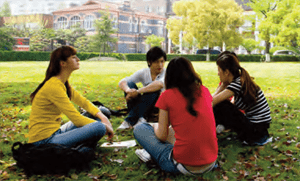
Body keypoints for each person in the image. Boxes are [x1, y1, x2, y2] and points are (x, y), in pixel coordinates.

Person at [133, 57, 218, 175]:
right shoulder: (204, 91)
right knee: (177, 131)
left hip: (182, 165)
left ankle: (150, 154)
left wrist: (154, 127)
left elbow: (162, 136)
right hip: (211, 162)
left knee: (140, 128)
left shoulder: (167, 96)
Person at [28, 46, 114, 152]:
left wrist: (102, 117)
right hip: (43, 141)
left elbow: (84, 102)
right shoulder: (53, 86)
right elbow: (76, 119)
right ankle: (79, 149)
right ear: (62, 63)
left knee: (102, 111)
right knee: (99, 127)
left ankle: (79, 146)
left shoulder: (62, 83)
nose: (78, 59)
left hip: (56, 132)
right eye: (73, 57)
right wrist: (104, 126)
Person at [212, 53, 272, 145]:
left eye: (219, 70)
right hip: (260, 130)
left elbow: (212, 102)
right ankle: (217, 128)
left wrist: (222, 86)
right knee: (223, 105)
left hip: (256, 132)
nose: (218, 74)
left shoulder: (237, 84)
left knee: (221, 105)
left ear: (227, 72)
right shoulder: (240, 80)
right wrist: (223, 85)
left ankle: (210, 131)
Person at [117, 46, 166, 129]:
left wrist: (138, 92)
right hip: (145, 103)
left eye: (162, 61)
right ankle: (140, 118)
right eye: (157, 62)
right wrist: (129, 91)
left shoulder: (166, 72)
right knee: (130, 84)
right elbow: (122, 82)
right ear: (150, 62)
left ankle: (129, 121)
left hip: (157, 105)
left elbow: (159, 84)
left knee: (152, 88)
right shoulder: (144, 72)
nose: (160, 65)